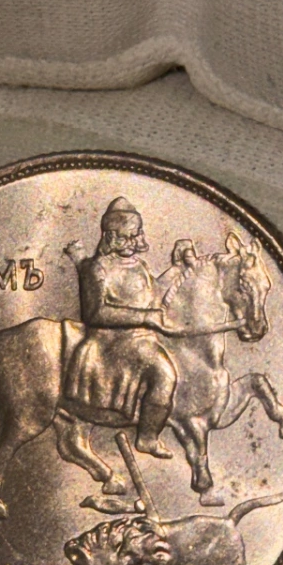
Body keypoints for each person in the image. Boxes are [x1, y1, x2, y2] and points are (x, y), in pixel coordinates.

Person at [63, 197, 177, 459]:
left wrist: (179, 268)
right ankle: (147, 437)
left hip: (142, 337)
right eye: (127, 236)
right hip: (111, 341)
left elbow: (155, 293)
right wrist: (145, 317)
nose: (133, 242)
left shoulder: (139, 265)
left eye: (136, 235)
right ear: (111, 236)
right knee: (165, 374)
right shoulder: (98, 268)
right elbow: (96, 313)